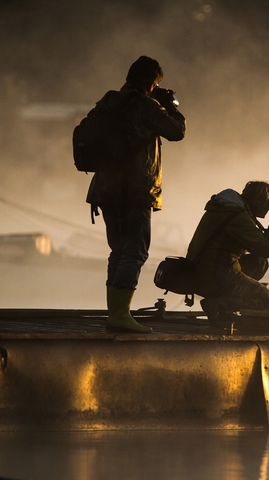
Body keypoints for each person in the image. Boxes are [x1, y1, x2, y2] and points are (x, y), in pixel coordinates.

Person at [86, 56, 186, 333]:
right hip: (134, 191)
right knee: (136, 251)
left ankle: (116, 312)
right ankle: (120, 315)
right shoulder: (145, 105)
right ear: (152, 82)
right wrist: (170, 105)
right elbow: (177, 132)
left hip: (105, 189)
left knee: (119, 251)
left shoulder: (110, 100)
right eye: (156, 83)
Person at [186, 181, 269, 324]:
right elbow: (268, 248)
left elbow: (260, 249)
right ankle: (218, 304)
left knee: (259, 262)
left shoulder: (228, 210)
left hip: (205, 270)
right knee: (265, 298)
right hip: (213, 275)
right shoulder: (237, 217)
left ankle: (225, 302)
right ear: (260, 200)